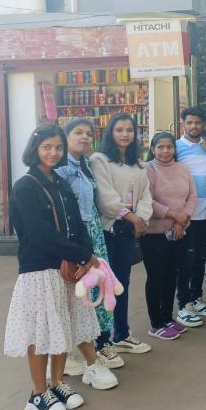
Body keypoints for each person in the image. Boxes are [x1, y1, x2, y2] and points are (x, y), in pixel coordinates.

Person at [4, 125, 101, 410]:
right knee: (41, 333)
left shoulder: (59, 182)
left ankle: (57, 384)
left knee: (62, 328)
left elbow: (78, 223)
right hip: (39, 270)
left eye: (58, 147)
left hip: (67, 270)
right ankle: (37, 393)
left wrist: (85, 253)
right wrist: (82, 254)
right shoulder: (26, 186)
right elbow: (40, 234)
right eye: (47, 147)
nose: (53, 153)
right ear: (35, 149)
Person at [55, 119, 122, 383]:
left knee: (95, 290)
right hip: (74, 239)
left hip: (92, 233)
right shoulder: (60, 169)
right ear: (66, 136)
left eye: (88, 133)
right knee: (73, 293)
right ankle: (71, 354)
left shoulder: (85, 165)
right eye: (77, 133)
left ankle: (91, 346)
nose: (84, 137)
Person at [89, 113, 153, 356]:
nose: (125, 134)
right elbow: (106, 200)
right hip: (109, 231)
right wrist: (133, 217)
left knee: (122, 284)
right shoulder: (100, 160)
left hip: (128, 231)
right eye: (119, 130)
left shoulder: (139, 163)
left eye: (129, 130)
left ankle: (122, 334)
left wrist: (141, 218)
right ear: (110, 133)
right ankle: (102, 340)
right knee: (105, 284)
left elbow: (147, 195)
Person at [143, 132, 196, 340]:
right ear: (153, 149)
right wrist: (174, 215)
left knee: (172, 275)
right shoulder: (148, 170)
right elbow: (147, 200)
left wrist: (182, 221)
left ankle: (167, 317)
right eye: (160, 147)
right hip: (154, 234)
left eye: (169, 147)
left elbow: (192, 197)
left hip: (179, 231)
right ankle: (155, 323)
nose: (165, 151)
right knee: (157, 277)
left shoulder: (183, 169)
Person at [175, 107, 206, 326]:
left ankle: (196, 298)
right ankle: (183, 304)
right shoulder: (174, 148)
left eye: (198, 123)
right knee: (185, 260)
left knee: (201, 259)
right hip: (187, 214)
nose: (194, 126)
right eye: (190, 122)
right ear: (183, 123)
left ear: (203, 124)